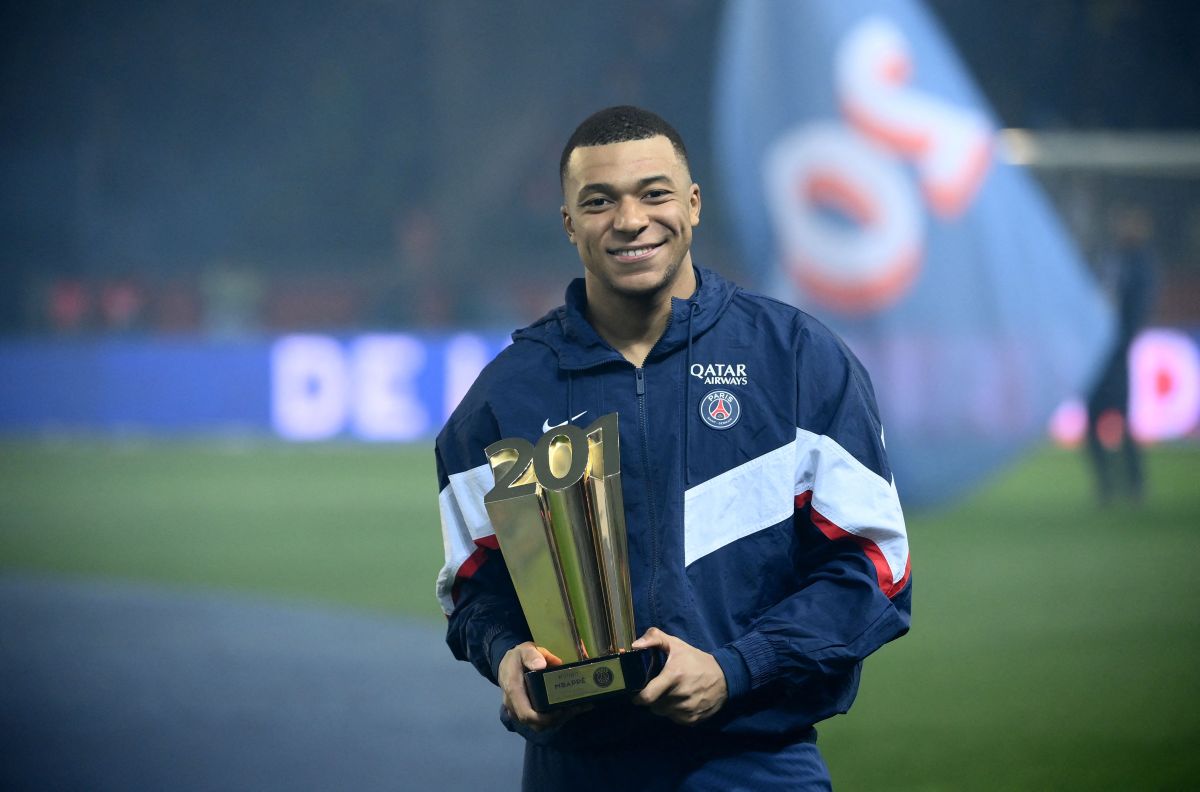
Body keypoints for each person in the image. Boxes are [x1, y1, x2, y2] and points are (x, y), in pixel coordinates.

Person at [434, 106, 911, 790]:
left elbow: (873, 568)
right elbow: (477, 588)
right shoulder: (505, 399)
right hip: (575, 770)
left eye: (654, 193)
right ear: (569, 223)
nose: (630, 220)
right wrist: (506, 655)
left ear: (692, 205)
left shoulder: (798, 362)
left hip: (754, 765)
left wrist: (734, 669)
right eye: (598, 202)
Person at [1085, 206, 1159, 503]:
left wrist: (1122, 340)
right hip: (1096, 354)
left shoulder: (1140, 263)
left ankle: (1135, 483)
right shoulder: (1108, 259)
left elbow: (1138, 307)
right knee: (1092, 421)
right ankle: (1105, 485)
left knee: (1122, 420)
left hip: (1116, 355)